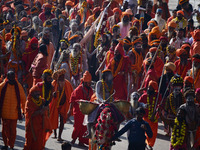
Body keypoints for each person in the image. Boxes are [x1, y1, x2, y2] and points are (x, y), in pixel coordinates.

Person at [0, 70, 26, 150]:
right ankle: (6, 145)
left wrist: (23, 111)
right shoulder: (2, 86)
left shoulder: (18, 86)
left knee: (13, 132)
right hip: (4, 114)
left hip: (14, 114)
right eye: (10, 77)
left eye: (13, 77)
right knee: (5, 131)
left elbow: (23, 99)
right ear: (7, 77)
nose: (12, 79)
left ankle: (11, 146)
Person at [67, 71, 93, 147]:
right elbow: (72, 100)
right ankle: (74, 139)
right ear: (84, 82)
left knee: (84, 127)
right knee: (77, 126)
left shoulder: (90, 90)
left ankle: (81, 141)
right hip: (78, 111)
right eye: (87, 83)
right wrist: (69, 111)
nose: (89, 84)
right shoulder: (78, 89)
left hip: (86, 112)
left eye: (90, 83)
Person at [24, 85, 52, 150]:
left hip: (40, 125)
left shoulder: (42, 100)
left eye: (38, 92)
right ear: (32, 93)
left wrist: (46, 107)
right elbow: (30, 114)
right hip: (32, 126)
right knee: (29, 142)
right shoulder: (29, 102)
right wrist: (41, 111)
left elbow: (47, 108)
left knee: (39, 142)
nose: (37, 93)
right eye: (35, 92)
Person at [49, 69, 73, 141]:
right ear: (58, 77)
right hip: (55, 105)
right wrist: (53, 95)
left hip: (64, 105)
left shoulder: (67, 83)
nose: (62, 77)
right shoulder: (54, 83)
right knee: (54, 119)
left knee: (62, 121)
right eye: (61, 76)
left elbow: (71, 94)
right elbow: (50, 94)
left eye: (63, 76)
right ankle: (55, 134)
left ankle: (59, 136)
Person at [138, 80, 162, 149]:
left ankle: (150, 145)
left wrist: (156, 112)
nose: (149, 89)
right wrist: (143, 105)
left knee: (153, 133)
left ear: (154, 89)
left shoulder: (158, 96)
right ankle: (145, 143)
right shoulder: (144, 95)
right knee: (145, 132)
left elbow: (160, 105)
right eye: (148, 87)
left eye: (151, 88)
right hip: (145, 117)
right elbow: (138, 103)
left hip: (154, 118)